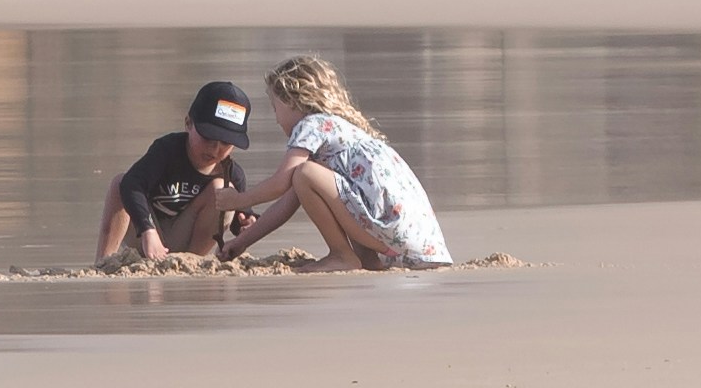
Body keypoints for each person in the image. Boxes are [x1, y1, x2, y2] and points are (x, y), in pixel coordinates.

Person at [237, 53, 452, 269]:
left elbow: (280, 184)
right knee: (324, 180)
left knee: (305, 173)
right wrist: (241, 242)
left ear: (291, 101)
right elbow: (286, 203)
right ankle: (367, 259)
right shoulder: (341, 130)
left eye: (275, 107)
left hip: (391, 234)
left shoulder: (311, 125)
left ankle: (341, 255)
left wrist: (238, 200)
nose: (276, 119)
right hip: (416, 242)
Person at [98, 76, 255, 267]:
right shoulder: (167, 151)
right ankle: (104, 263)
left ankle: (191, 263)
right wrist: (147, 230)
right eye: (208, 138)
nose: (215, 150)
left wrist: (246, 225)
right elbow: (132, 184)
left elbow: (240, 217)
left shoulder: (232, 174)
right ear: (188, 123)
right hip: (147, 234)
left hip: (187, 243)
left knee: (221, 189)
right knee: (120, 183)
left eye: (225, 143)